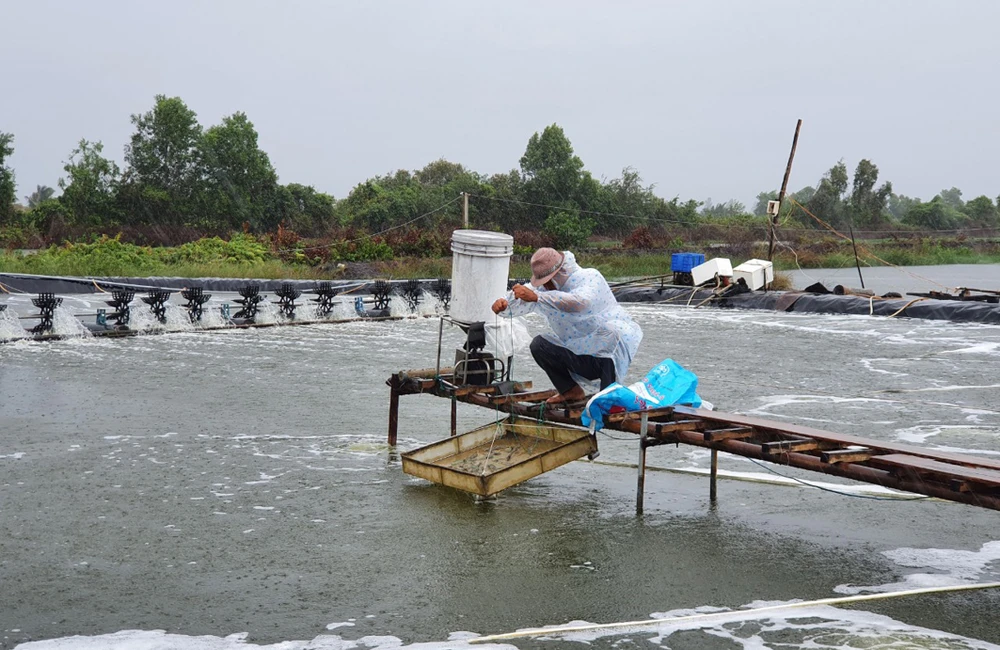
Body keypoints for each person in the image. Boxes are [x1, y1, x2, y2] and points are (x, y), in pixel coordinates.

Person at [491, 247, 642, 404]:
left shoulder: (590, 276)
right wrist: (504, 303)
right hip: (578, 355)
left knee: (611, 332)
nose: (545, 285)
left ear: (559, 272)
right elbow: (524, 294)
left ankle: (607, 396)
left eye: (548, 280)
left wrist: (537, 296)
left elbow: (581, 302)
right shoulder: (545, 290)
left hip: (605, 357)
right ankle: (570, 390)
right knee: (539, 345)